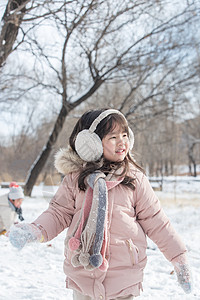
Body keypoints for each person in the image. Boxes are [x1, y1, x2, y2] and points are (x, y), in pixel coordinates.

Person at [8, 109, 191, 300]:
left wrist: (179, 259)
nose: (122, 142)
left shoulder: (135, 180)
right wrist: (35, 230)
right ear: (91, 144)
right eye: (113, 137)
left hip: (123, 277)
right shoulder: (75, 179)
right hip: (82, 273)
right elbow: (57, 212)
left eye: (125, 135)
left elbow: (157, 222)